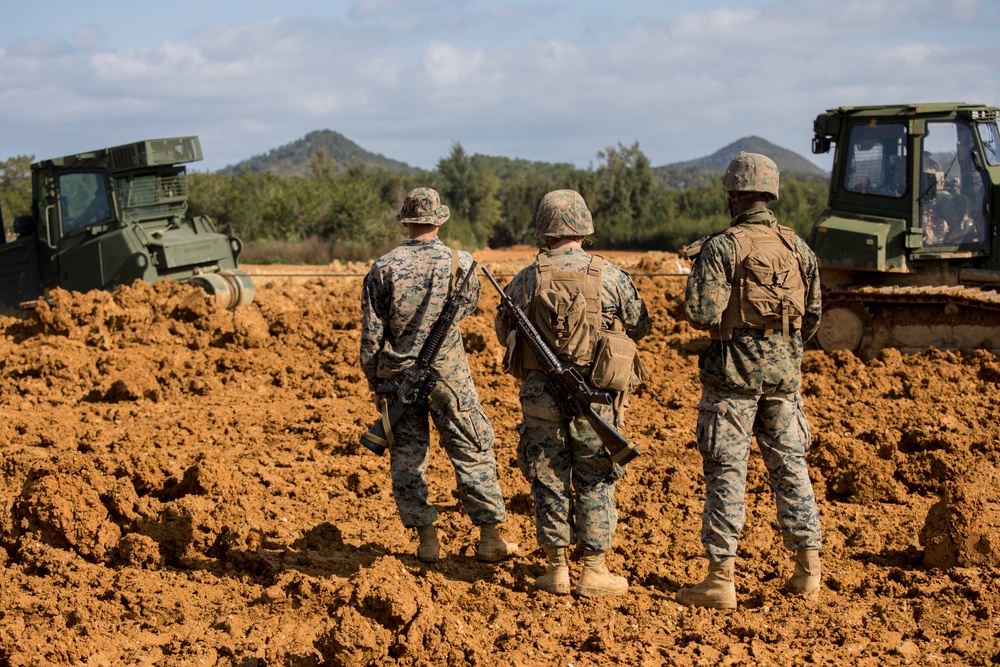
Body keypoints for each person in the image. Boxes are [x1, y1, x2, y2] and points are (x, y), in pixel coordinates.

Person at [676, 152, 823, 609]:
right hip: (784, 382)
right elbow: (814, 317)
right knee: (791, 469)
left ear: (734, 195)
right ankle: (808, 572)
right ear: (771, 192)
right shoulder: (799, 249)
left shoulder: (723, 248)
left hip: (732, 385)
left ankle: (721, 580)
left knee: (726, 475)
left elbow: (701, 314)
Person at [494, 190, 650, 598]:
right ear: (584, 227)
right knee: (595, 477)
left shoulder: (526, 277)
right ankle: (594, 569)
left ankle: (556, 569)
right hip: (596, 396)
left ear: (545, 229)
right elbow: (640, 324)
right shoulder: (611, 275)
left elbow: (501, 331)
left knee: (547, 476)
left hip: (541, 397)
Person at [360, 187, 518, 564]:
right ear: (439, 220)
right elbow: (467, 310)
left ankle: (427, 541)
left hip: (398, 376)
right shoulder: (461, 263)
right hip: (449, 374)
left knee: (407, 458)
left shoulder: (382, 267)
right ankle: (490, 538)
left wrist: (376, 383)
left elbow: (371, 336)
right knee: (471, 447)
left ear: (407, 220)